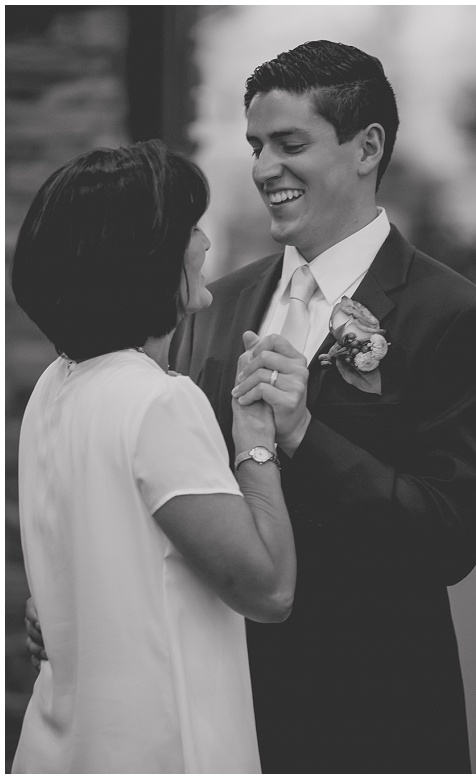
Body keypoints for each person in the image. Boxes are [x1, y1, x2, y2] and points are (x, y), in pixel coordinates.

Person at [170, 41, 476, 772]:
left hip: (375, 716)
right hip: (227, 705)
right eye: (257, 146)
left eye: (290, 143)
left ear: (367, 148)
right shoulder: (217, 305)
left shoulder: (457, 319)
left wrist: (302, 431)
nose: (265, 169)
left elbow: (448, 540)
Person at [10, 141, 296, 772]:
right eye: (191, 228)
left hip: (63, 745)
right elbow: (270, 588)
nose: (204, 243)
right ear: (149, 255)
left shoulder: (53, 387)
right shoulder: (160, 402)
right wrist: (253, 438)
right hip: (161, 749)